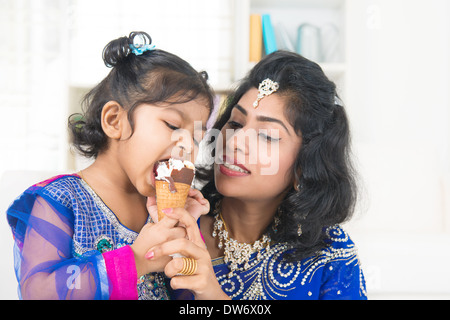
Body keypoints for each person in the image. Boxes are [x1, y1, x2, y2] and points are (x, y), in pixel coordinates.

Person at [6, 31, 213, 300]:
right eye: (172, 125)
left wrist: (183, 237)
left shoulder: (164, 215)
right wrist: (136, 260)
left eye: (197, 138)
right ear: (115, 121)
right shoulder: (59, 200)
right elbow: (39, 292)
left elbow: (186, 296)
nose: (187, 146)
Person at [148, 51, 368, 300]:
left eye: (267, 136)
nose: (234, 142)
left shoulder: (330, 254)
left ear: (303, 167)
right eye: (236, 124)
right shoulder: (173, 224)